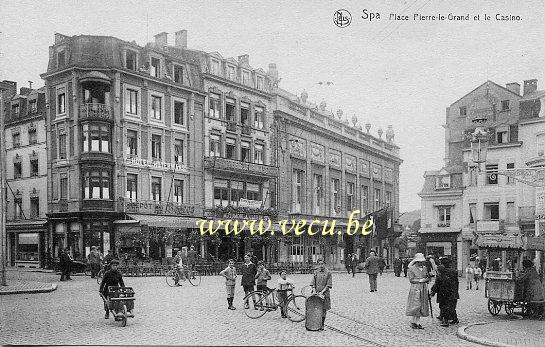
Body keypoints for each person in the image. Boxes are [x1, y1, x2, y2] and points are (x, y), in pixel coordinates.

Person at [406, 253, 430, 329]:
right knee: (416, 304)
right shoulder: (411, 268)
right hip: (415, 288)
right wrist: (421, 280)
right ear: (416, 261)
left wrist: (427, 279)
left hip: (423, 288)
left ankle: (417, 321)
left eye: (421, 261)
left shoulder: (424, 268)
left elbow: (426, 276)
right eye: (419, 261)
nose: (420, 263)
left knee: (421, 304)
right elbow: (411, 279)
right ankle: (413, 321)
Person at [310, 258, 332, 330]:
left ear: (324, 264)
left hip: (325, 293)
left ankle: (322, 324)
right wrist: (313, 290)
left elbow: (328, 284)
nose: (321, 265)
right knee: (316, 308)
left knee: (324, 309)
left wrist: (322, 292)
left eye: (322, 264)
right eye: (319, 264)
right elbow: (313, 282)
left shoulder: (328, 273)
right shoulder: (316, 272)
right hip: (316, 293)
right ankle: (315, 324)